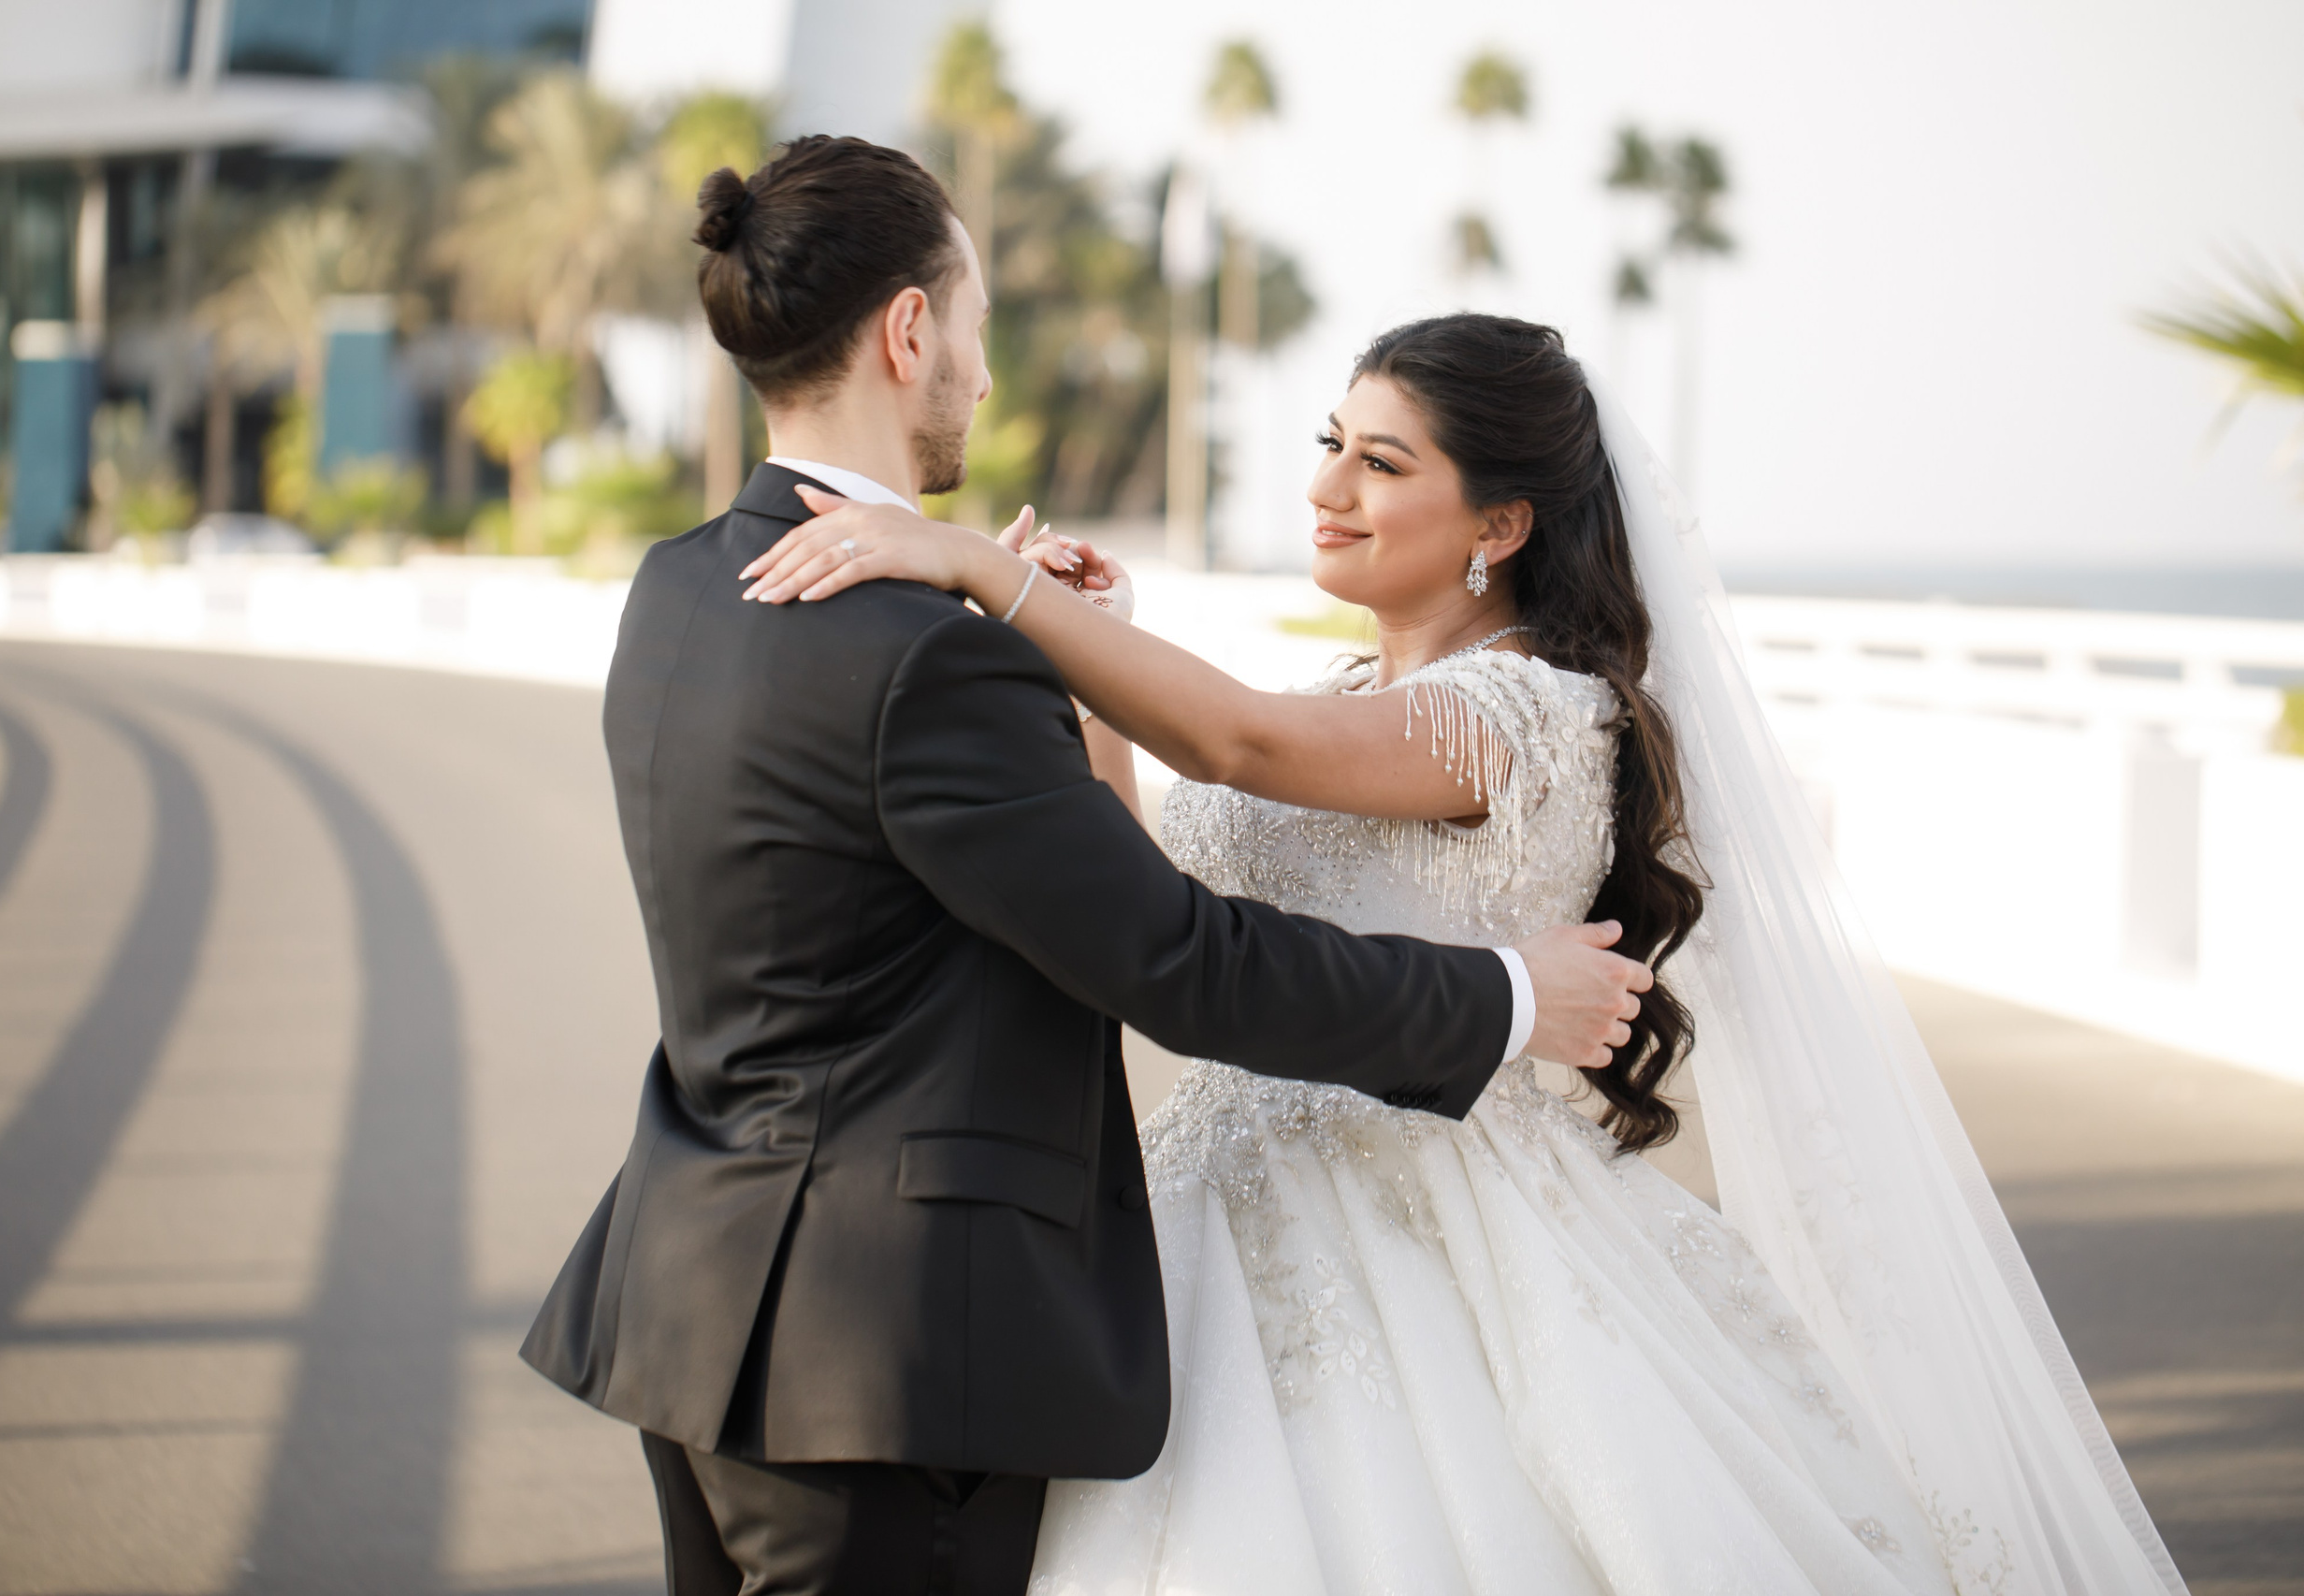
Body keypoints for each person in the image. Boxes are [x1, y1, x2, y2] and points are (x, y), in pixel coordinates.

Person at [746, 315, 2193, 1594]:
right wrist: (1105, 693)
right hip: (1218, 1215)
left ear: (1499, 522)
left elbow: (1243, 739)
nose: (1325, 488)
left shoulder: (1523, 714)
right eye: (1330, 445)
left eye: (1381, 463)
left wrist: (973, 573)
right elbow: (1151, 910)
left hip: (1433, 1229)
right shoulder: (1346, 698)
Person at [520, 139, 1652, 1596]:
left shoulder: (675, 587)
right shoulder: (928, 651)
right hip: (879, 1359)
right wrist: (1506, 998)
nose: (985, 377)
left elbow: (1083, 877)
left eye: (1381, 458)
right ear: (910, 330)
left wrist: (1056, 662)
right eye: (977, 328)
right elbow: (1175, 952)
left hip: (690, 1302)